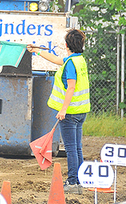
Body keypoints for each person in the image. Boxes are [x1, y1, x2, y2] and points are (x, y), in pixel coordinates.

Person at [27, 29, 90, 194]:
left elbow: (71, 87)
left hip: (69, 113)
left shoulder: (70, 63)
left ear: (67, 44)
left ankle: (72, 183)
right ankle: (79, 182)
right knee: (77, 148)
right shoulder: (78, 60)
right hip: (80, 111)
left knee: (71, 149)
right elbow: (56, 59)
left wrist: (63, 110)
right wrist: (36, 51)